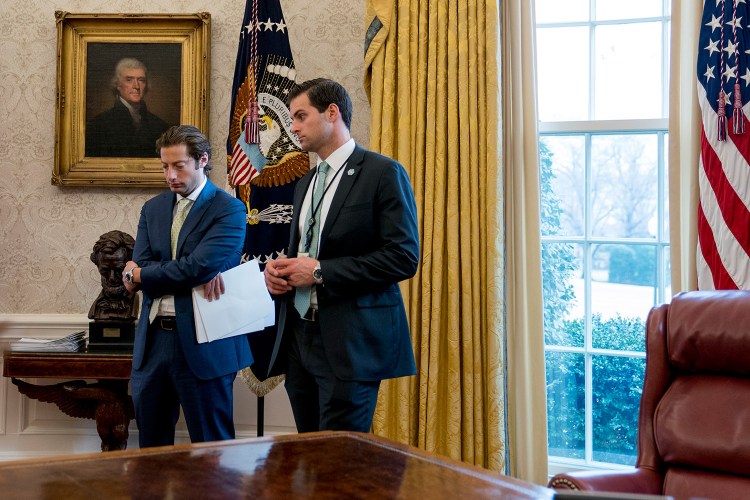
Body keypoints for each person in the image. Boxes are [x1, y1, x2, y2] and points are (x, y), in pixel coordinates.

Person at [263, 78, 420, 433]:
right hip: (299, 341)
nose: (294, 127)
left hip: (351, 345)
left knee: (341, 466)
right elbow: (305, 252)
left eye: (301, 116)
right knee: (310, 456)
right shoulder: (306, 182)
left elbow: (403, 257)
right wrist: (280, 273)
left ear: (332, 113)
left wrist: (320, 273)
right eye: (291, 119)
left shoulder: (382, 173)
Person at [121, 125, 252, 448]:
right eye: (165, 166)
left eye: (178, 165)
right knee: (150, 452)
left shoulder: (229, 209)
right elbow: (148, 261)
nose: (170, 175)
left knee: (213, 453)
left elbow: (197, 267)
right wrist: (156, 272)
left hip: (203, 342)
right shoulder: (153, 209)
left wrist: (141, 275)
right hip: (153, 344)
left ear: (201, 160)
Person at [86, 57, 170, 158]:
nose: (136, 86)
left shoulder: (161, 127)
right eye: (129, 80)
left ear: (146, 85)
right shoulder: (97, 126)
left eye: (141, 80)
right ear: (117, 84)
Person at [88, 229, 139, 322]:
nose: (112, 278)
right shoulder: (97, 307)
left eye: (119, 270)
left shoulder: (134, 302)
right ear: (97, 265)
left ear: (132, 266)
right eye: (105, 270)